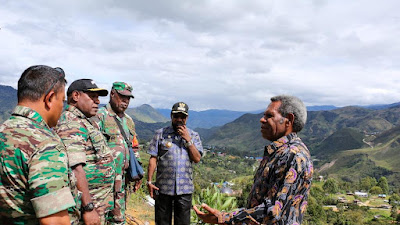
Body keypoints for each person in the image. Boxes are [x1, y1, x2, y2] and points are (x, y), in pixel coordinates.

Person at [194, 95, 313, 225]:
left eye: (269, 116)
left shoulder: (292, 156)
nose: (262, 120)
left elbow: (273, 212)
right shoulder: (278, 153)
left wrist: (224, 218)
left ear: (288, 120)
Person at [0, 65, 77, 225]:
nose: (63, 107)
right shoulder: (45, 144)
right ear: (49, 99)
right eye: (62, 101)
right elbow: (55, 221)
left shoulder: (3, 130)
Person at [55, 79, 115, 225]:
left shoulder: (84, 121)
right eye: (92, 96)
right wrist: (88, 208)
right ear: (76, 96)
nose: (97, 101)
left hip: (98, 202)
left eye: (98, 97)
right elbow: (75, 168)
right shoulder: (71, 123)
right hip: (87, 206)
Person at [93, 82, 142, 225]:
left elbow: (134, 146)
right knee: (102, 216)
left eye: (128, 99)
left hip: (123, 180)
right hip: (105, 181)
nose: (125, 101)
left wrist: (137, 171)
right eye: (122, 97)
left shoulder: (129, 121)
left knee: (119, 216)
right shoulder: (99, 116)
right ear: (112, 94)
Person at [147, 102, 203, 225]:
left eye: (182, 117)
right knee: (162, 222)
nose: (179, 119)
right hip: (163, 189)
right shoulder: (161, 134)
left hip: (185, 189)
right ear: (171, 116)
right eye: (176, 116)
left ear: (186, 118)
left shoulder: (194, 135)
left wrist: (188, 140)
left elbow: (197, 158)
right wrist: (149, 181)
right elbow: (153, 158)